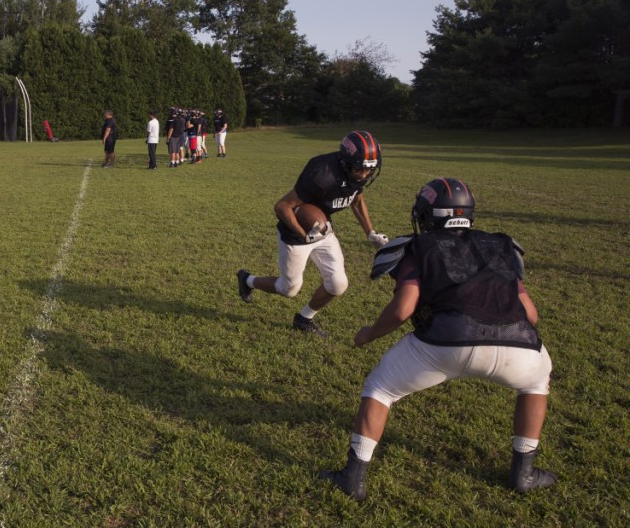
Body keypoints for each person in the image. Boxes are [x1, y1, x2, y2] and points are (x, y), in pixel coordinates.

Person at [319, 178, 555, 500]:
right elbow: (531, 315)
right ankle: (524, 474)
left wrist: (369, 334)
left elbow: (403, 309)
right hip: (519, 344)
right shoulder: (500, 245)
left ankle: (353, 478)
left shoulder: (418, 248)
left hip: (446, 342)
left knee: (379, 390)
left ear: (428, 215)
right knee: (536, 383)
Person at [237, 131, 390, 336]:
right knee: (289, 289)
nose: (364, 175)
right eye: (359, 169)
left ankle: (304, 318)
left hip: (324, 230)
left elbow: (357, 199)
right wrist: (303, 234)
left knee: (338, 283)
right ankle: (247, 280)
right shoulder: (322, 174)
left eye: (368, 170)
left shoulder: (357, 172)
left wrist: (370, 232)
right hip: (296, 232)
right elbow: (282, 207)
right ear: (345, 162)